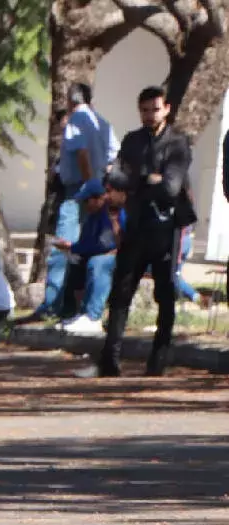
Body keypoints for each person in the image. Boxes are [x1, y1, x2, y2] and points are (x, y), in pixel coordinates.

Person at [93, 86, 193, 378]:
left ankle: (158, 360)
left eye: (156, 109)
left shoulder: (178, 142)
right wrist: (147, 178)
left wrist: (136, 180)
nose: (150, 115)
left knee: (165, 292)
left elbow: (171, 187)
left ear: (167, 109)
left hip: (166, 227)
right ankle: (109, 359)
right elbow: (114, 176)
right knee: (122, 290)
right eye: (145, 110)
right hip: (136, 224)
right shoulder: (133, 140)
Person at [38, 83, 117, 320]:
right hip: (98, 190)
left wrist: (89, 185)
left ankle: (53, 304)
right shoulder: (103, 122)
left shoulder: (76, 120)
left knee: (63, 248)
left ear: (70, 100)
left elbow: (81, 153)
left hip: (78, 192)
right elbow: (113, 155)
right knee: (85, 248)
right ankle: (74, 304)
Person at [49, 178, 125, 335]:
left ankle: (93, 316)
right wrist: (72, 249)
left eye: (86, 201)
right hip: (103, 255)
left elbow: (105, 244)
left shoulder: (111, 213)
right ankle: (76, 312)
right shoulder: (92, 217)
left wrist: (73, 247)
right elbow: (87, 242)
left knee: (98, 263)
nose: (84, 205)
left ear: (98, 198)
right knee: (75, 263)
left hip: (122, 256)